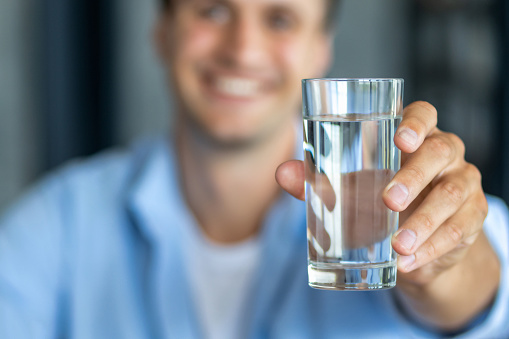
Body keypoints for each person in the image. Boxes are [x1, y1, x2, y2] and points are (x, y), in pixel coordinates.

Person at [1, 0, 508, 338]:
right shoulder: (59, 223)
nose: (242, 50)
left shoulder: (388, 204)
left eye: (280, 19)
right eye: (214, 10)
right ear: (162, 32)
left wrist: (442, 261)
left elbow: (486, 294)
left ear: (322, 48)